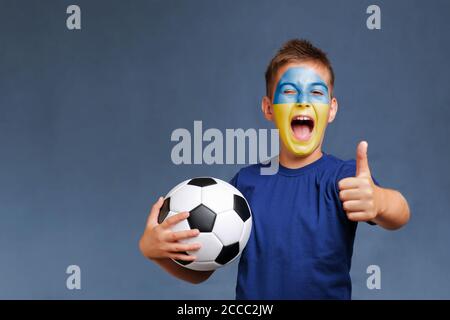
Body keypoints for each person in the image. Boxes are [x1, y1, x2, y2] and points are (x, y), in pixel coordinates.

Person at [139, 39, 410, 299]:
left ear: (331, 110)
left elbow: (400, 213)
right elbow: (202, 272)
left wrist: (380, 201)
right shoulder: (244, 185)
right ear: (269, 108)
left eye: (316, 92)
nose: (303, 101)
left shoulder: (343, 178)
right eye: (290, 92)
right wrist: (156, 253)